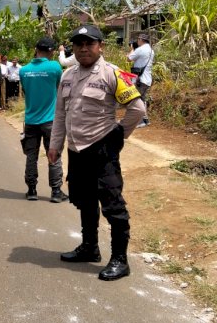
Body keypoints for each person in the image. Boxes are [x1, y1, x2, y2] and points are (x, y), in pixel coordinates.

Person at [47, 24, 145, 281]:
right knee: (84, 201)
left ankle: (120, 260)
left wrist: (118, 137)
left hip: (102, 150)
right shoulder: (67, 76)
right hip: (76, 150)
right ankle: (89, 247)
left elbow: (137, 109)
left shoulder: (113, 74)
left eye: (89, 43)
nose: (83, 48)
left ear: (100, 46)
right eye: (78, 44)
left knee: (113, 205)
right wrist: (55, 145)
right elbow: (60, 114)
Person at [19, 37, 68, 203]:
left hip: (31, 120)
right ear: (52, 51)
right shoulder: (55, 67)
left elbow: (26, 91)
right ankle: (55, 192)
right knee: (53, 154)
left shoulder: (24, 70)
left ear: (35, 49)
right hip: (50, 120)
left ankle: (31, 190)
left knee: (31, 156)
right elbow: (59, 87)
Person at [127, 33, 154, 128]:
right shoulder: (151, 50)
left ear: (141, 40)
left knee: (136, 100)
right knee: (142, 99)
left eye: (138, 39)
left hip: (140, 80)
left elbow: (129, 58)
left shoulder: (140, 49)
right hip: (147, 79)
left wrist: (131, 49)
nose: (137, 41)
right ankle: (145, 120)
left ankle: (140, 121)